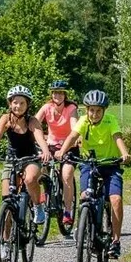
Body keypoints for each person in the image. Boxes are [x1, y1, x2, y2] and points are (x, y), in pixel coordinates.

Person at [60, 89, 131, 258]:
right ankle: (83, 225)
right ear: (87, 109)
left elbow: (117, 137)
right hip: (89, 164)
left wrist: (124, 153)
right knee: (85, 196)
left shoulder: (110, 120)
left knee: (115, 200)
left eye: (98, 110)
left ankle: (115, 241)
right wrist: (62, 151)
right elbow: (72, 136)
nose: (95, 114)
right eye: (91, 110)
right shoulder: (83, 121)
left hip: (111, 164)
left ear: (104, 111)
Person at [0, 85, 50, 226]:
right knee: (7, 200)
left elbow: (39, 137)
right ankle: (5, 243)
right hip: (11, 160)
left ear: (27, 104)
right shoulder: (6, 119)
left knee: (30, 179)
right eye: (15, 102)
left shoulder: (32, 121)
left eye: (22, 103)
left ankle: (37, 206)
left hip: (30, 159)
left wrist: (45, 151)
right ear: (10, 103)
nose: (18, 106)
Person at [35, 80, 81, 230]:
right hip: (51, 145)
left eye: (61, 92)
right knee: (39, 164)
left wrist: (71, 142)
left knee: (66, 174)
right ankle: (44, 193)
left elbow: (74, 126)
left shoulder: (71, 108)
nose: (58, 95)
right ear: (51, 94)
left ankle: (67, 211)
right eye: (55, 92)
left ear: (65, 94)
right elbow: (34, 123)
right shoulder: (46, 107)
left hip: (69, 146)